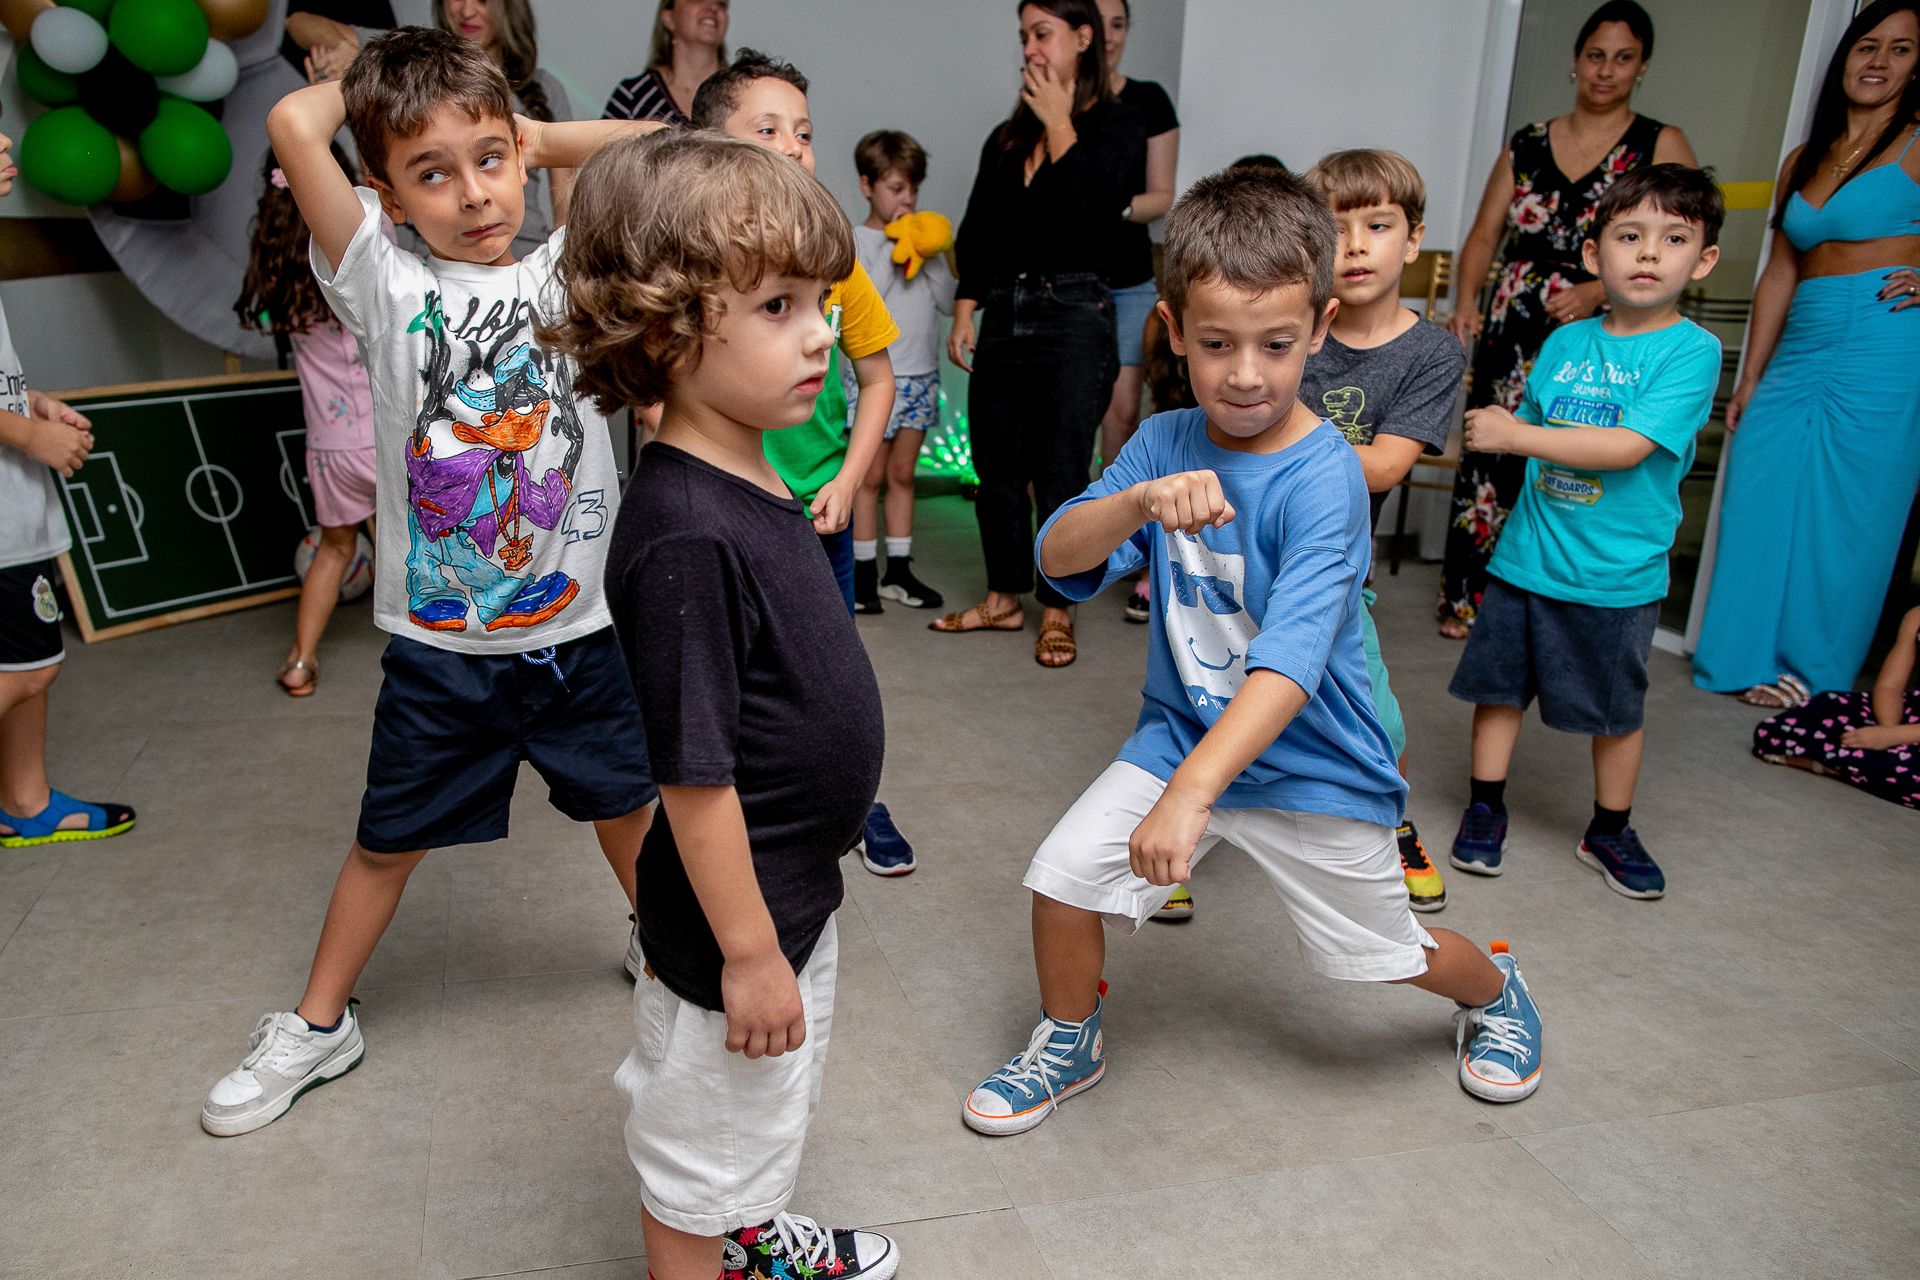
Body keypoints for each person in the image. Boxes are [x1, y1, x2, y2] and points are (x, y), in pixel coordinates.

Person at [962, 164, 1546, 1143]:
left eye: (1276, 345)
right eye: (1217, 343)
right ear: (1175, 333)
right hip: (1180, 731)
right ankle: (1071, 1035)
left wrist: (1192, 795)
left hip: (1310, 761)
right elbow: (1055, 560)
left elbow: (1288, 665)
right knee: (1061, 876)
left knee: (1387, 955)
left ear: (1318, 329)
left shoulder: (1325, 483)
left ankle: (1498, 987)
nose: (1245, 373)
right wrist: (1137, 501)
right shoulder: (1161, 439)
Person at [200, 29, 663, 1138]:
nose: (473, 193)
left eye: (491, 160)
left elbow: (667, 146)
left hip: (583, 632)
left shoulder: (569, 266)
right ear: (386, 194)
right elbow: (288, 123)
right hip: (441, 647)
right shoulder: (379, 273)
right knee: (385, 839)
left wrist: (535, 134)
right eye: (433, 172)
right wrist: (369, 90)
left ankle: (667, 941)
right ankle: (319, 1023)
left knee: (629, 811)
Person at [540, 128, 901, 1280]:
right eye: (781, 306)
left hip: (791, 891)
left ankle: (754, 1227)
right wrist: (749, 954)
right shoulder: (687, 533)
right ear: (666, 332)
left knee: (755, 1120)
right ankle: (712, 1248)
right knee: (698, 1155)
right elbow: (696, 780)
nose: (822, 332)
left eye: (821, 299)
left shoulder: (752, 463)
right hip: (738, 923)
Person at [1447, 165, 1724, 901]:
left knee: (1616, 711)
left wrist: (1514, 437)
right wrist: (1513, 434)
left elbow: (1627, 448)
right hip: (1529, 557)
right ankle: (1485, 807)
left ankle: (1609, 827)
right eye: (1628, 236)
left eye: (1672, 240)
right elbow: (1533, 429)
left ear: (1703, 262)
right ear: (1596, 252)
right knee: (1499, 694)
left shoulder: (1690, 352)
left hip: (1616, 574)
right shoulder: (1567, 342)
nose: (1646, 253)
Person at [691, 53, 917, 877]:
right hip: (722, 511)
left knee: (828, 677)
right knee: (728, 680)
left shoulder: (836, 258)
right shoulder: (687, 260)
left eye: (805, 132)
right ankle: (738, 813)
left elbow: (879, 377)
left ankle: (853, 799)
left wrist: (851, 478)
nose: (792, 147)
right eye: (768, 129)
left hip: (814, 512)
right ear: (711, 146)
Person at [1439, 0, 1696, 639]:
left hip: (1602, 319)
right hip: (1514, 318)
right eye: (1595, 55)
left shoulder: (1659, 142)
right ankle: (1473, 598)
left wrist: (1598, 292)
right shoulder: (1527, 142)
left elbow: (1675, 239)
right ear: (1575, 63)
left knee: (1572, 446)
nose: (1606, 70)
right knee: (1496, 445)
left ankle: (1560, 592)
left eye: (1623, 58)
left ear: (1643, 68)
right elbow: (1483, 235)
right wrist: (1467, 300)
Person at [1692, 0, 1920, 704]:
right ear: (1844, 56)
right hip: (1804, 335)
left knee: (1854, 509)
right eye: (1866, 45)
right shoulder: (1804, 157)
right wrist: (1752, 373)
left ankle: (1812, 674)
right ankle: (1739, 659)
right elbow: (1781, 271)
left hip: (1887, 334)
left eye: (1902, 49)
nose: (1878, 60)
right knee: (1761, 488)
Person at [934, 0, 1146, 670]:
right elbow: (978, 231)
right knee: (995, 468)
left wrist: (1060, 126)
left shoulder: (1117, 125)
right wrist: (967, 306)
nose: (1030, 48)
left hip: (1078, 311)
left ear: (1084, 38)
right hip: (1005, 308)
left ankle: (1058, 609)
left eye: (1043, 33)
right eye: (1024, 35)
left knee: (1059, 469)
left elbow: (1099, 219)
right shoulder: (1005, 138)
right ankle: (1002, 598)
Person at [1299, 149, 1467, 915]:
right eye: (1336, 230)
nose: (1357, 246)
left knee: (1377, 717)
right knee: (1211, 704)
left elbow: (1383, 469)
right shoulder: (1289, 327)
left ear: (1415, 237)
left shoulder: (1430, 352)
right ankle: (1182, 834)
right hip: (1240, 562)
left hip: (1339, 573)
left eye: (1379, 225)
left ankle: (1390, 823)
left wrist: (1279, 449)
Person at [0, 107, 137, 852]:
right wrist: (29, 435)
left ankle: (25, 803)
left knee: (30, 663)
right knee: (24, 670)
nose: (4, 145)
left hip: (14, 504)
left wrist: (28, 403)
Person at [234, 147, 380, 698]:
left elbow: (267, 317)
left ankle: (300, 661)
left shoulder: (278, 270)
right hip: (384, 439)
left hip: (328, 447)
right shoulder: (357, 254)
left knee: (335, 548)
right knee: (419, 549)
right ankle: (445, 656)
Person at [1093, 0, 1179, 625]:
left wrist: (1106, 208)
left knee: (1122, 415)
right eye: (1096, 25)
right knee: (1069, 419)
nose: (1108, 37)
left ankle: (1132, 548)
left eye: (1119, 24)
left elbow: (1161, 196)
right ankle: (1077, 543)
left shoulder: (1148, 99)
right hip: (1062, 287)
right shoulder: (1054, 103)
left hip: (1126, 281)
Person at [845, 129, 954, 616]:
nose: (906, 200)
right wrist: (899, 246)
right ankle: (862, 575)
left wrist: (928, 254)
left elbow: (949, 302)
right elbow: (867, 305)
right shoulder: (856, 242)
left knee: (903, 474)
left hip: (921, 374)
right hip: (873, 381)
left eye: (912, 189)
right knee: (868, 477)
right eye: (895, 189)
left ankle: (900, 571)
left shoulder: (928, 242)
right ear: (868, 186)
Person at [435, 0, 576, 261]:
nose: (466, 11)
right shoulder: (421, 91)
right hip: (438, 262)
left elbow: (565, 205)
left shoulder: (545, 89)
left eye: (482, 0)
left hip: (523, 256)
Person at [1753, 604, 1920, 810]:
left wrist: (1892, 737)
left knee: (1911, 771)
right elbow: (1889, 687)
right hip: (1907, 714)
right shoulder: (1916, 617)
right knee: (1821, 708)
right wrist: (1887, 729)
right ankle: (1858, 765)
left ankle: (1831, 764)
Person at [603, 0, 729, 126]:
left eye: (721, 4)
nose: (713, 7)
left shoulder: (743, 94)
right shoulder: (633, 95)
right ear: (668, 18)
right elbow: (597, 144)